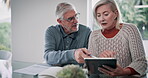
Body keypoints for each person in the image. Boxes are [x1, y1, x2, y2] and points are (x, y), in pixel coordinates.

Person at [88, 0, 147, 77]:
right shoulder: (94, 35)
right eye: (98, 15)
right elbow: (90, 68)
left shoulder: (130, 30)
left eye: (106, 14)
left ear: (116, 13)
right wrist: (99, 60)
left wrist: (123, 71)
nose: (101, 19)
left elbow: (141, 63)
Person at [44, 2, 92, 67]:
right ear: (60, 21)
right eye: (70, 19)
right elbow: (48, 57)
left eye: (76, 16)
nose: (76, 21)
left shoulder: (86, 31)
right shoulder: (51, 31)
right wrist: (73, 54)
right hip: (56, 72)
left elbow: (91, 57)